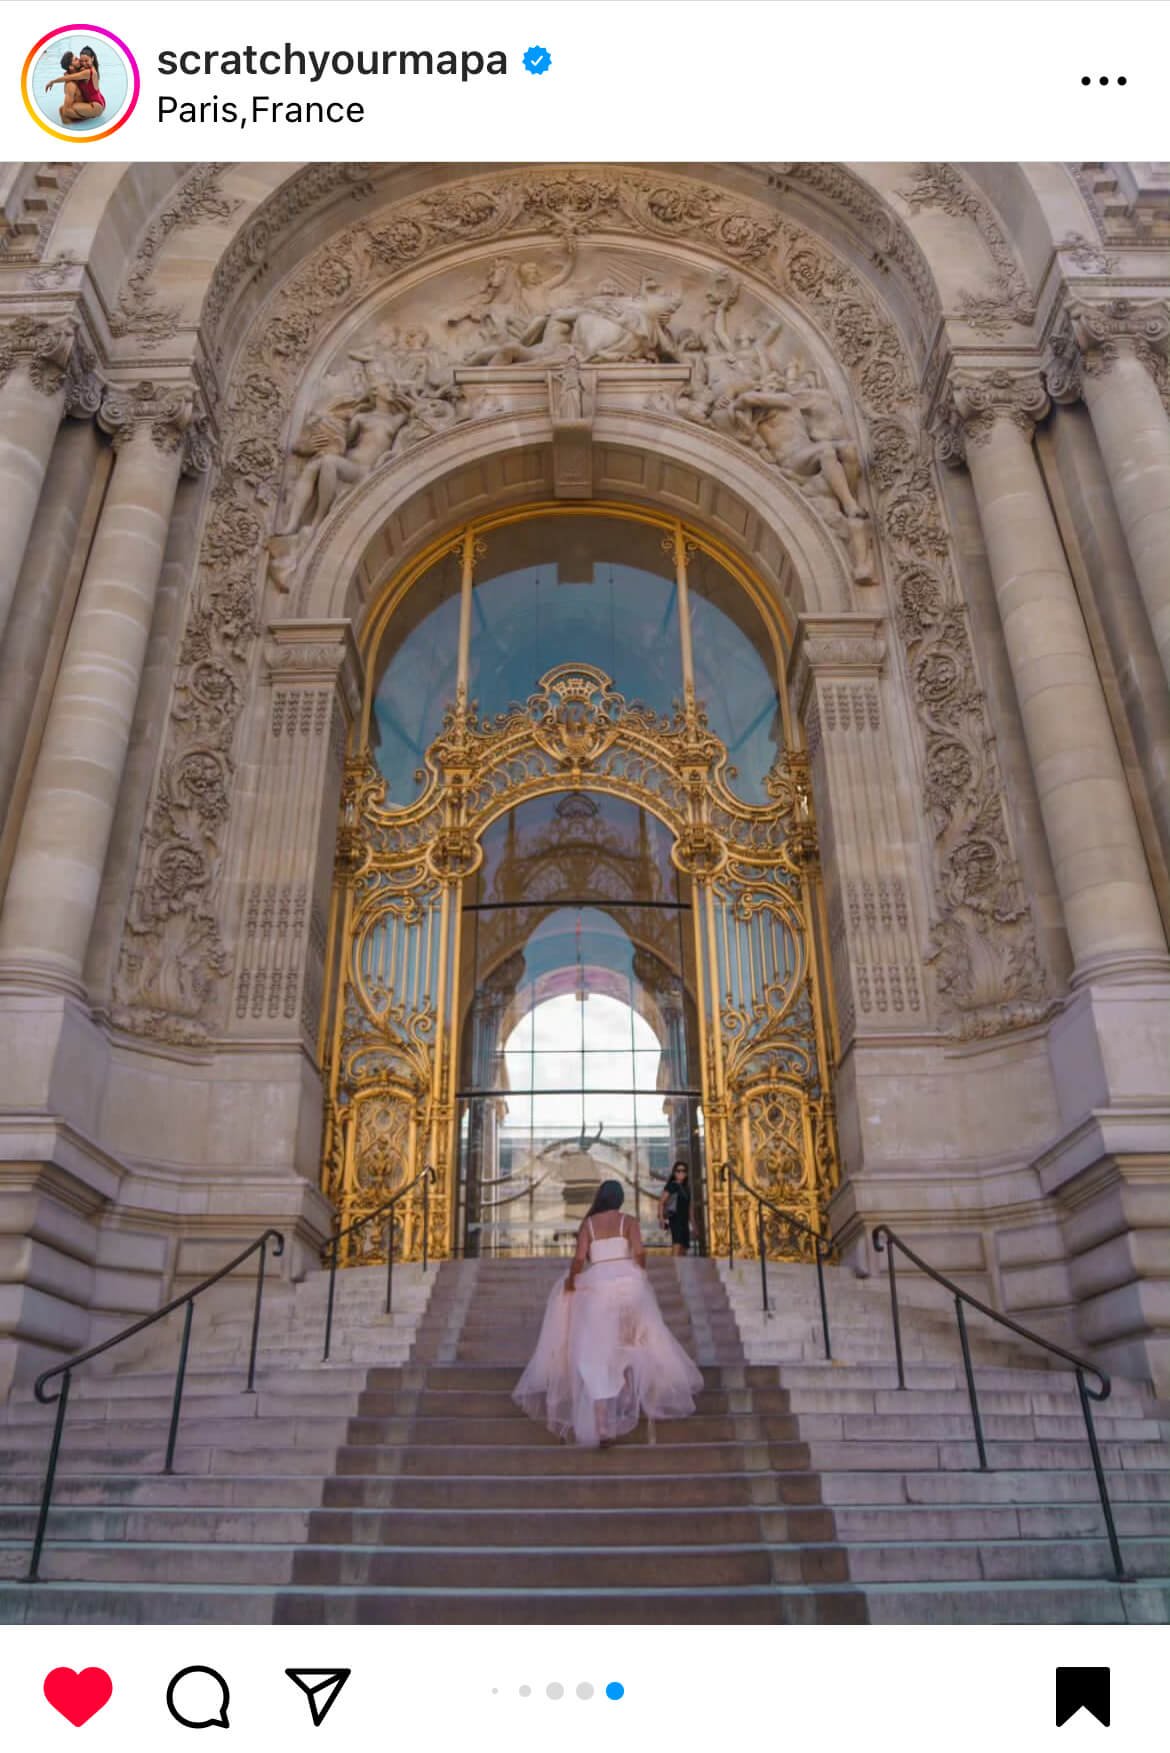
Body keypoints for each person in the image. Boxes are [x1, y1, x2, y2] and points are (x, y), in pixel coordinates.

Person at [513, 1179, 703, 1449]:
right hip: (630, 1286)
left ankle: (603, 1425)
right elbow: (639, 1252)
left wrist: (571, 1280)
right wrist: (639, 1273)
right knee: (633, 1343)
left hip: (599, 1287)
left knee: (596, 1354)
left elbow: (579, 1258)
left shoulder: (588, 1224)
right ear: (619, 1198)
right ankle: (626, 1389)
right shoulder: (629, 1221)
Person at [46, 46, 105, 125]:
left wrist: (53, 81)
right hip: (96, 100)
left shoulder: (87, 72)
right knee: (62, 110)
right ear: (70, 66)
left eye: (86, 60)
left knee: (64, 110)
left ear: (92, 58)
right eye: (79, 60)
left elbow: (70, 77)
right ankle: (72, 128)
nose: (82, 63)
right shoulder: (82, 70)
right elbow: (71, 76)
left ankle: (84, 121)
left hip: (96, 105)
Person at [659, 1160, 695, 1256]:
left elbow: (689, 1208)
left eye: (683, 1171)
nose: (680, 1173)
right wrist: (662, 1219)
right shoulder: (672, 1185)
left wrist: (694, 1225)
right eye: (678, 1171)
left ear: (686, 1173)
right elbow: (661, 1202)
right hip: (675, 1219)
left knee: (684, 1248)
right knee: (677, 1244)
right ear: (674, 1172)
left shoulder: (686, 1189)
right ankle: (674, 1268)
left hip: (684, 1221)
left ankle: (681, 1269)